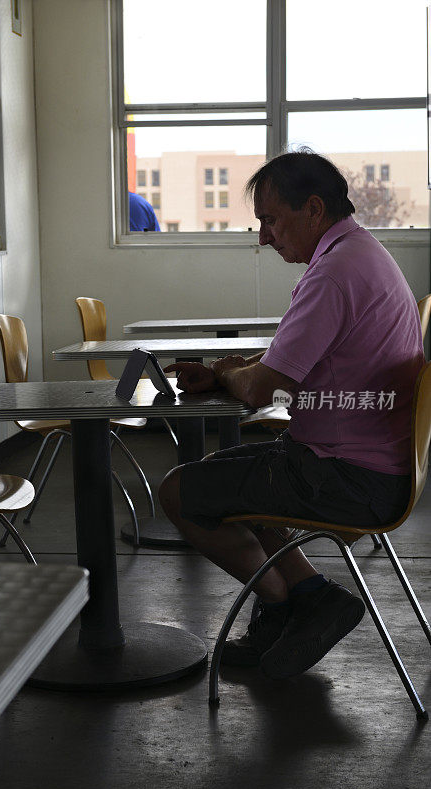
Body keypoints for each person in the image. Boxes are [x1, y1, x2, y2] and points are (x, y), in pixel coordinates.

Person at [158, 150, 425, 680]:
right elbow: (294, 360)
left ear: (313, 209)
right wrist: (232, 372)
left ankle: (288, 609)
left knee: (177, 492)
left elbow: (262, 391)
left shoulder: (333, 275)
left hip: (346, 477)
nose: (264, 237)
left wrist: (230, 374)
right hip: (377, 469)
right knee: (250, 482)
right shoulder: (362, 254)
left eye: (271, 221)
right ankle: (305, 596)